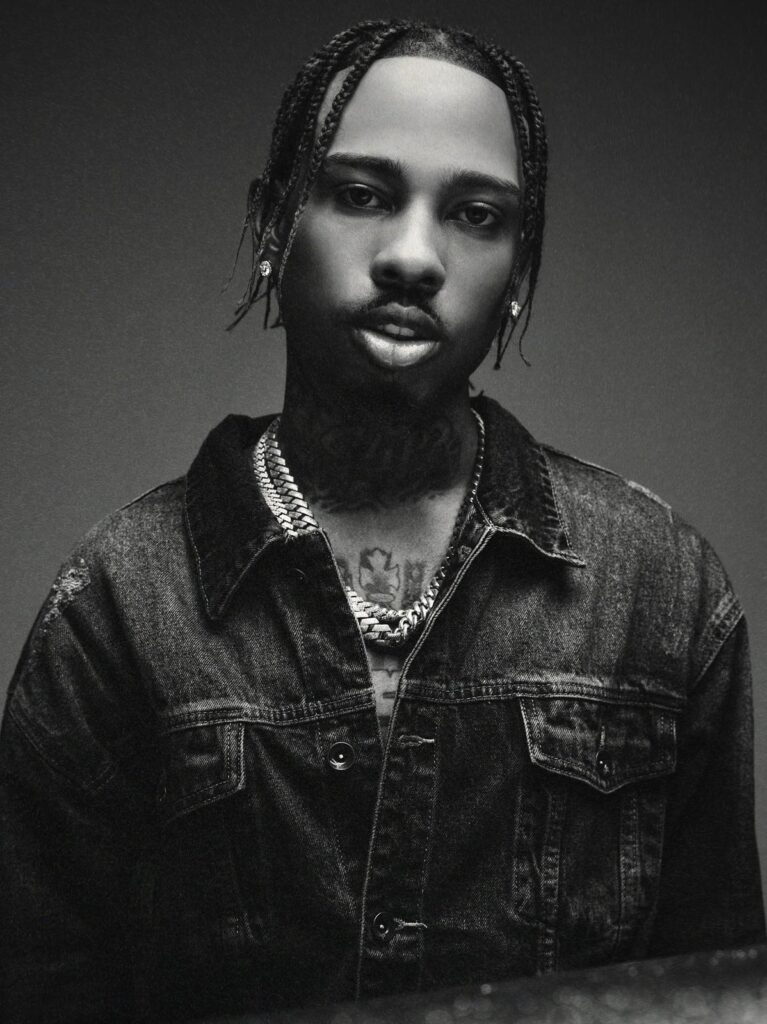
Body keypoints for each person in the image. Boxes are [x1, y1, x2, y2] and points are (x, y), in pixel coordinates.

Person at [1, 18, 763, 1023]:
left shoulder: (658, 589)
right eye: (360, 194)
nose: (412, 255)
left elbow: (715, 997)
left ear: (518, 268)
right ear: (272, 223)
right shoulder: (114, 607)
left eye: (476, 215)